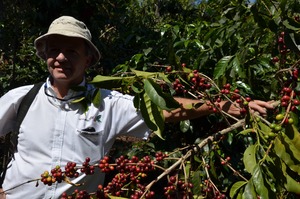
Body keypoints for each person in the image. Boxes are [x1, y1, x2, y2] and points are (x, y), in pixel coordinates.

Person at [0, 16, 274, 199]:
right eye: (54, 50)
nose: (60, 58)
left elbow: (165, 110)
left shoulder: (107, 104)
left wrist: (223, 105)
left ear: (89, 60)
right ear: (45, 55)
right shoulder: (20, 99)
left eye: (71, 51)